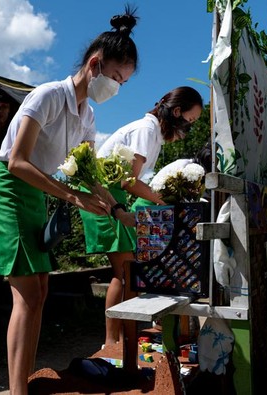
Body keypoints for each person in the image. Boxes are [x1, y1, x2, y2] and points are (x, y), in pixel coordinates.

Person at [0, 8, 139, 393]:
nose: (117, 87)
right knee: (29, 295)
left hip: (36, 195)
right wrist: (73, 196)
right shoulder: (49, 96)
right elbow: (17, 162)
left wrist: (118, 210)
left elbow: (89, 175)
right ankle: (18, 390)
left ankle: (25, 381)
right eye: (116, 77)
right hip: (9, 190)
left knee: (40, 293)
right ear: (95, 64)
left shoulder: (86, 118)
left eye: (124, 82)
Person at [79, 85, 203, 373]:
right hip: (103, 197)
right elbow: (129, 182)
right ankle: (112, 340)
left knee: (128, 272)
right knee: (124, 273)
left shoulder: (152, 133)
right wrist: (164, 199)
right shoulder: (146, 131)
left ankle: (123, 336)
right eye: (190, 119)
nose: (189, 126)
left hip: (113, 198)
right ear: (176, 112)